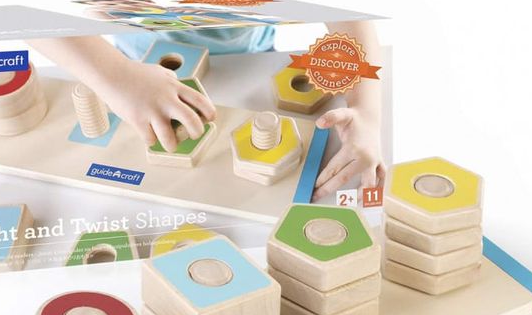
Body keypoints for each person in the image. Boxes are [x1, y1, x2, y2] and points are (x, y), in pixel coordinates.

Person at [29, 17, 383, 198]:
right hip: (135, 66)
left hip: (250, 57)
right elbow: (24, 13)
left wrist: (367, 109)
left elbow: (346, 12)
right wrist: (117, 75)